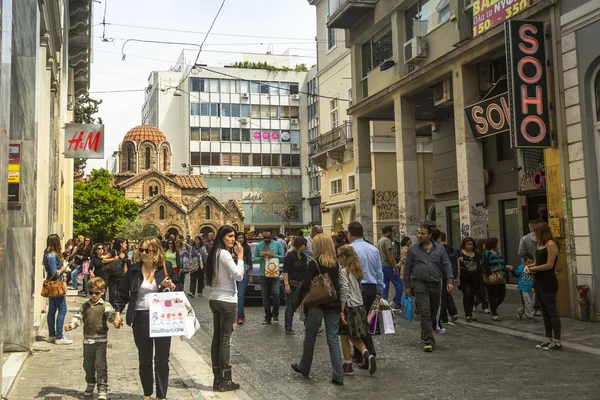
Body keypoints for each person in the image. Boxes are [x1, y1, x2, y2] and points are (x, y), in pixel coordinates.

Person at [113, 237, 177, 400]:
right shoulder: (134, 270)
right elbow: (122, 293)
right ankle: (147, 394)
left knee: (162, 359)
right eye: (141, 250)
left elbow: (179, 288)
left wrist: (171, 285)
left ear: (155, 252)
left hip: (162, 318)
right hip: (141, 317)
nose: (143, 253)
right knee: (145, 359)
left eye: (147, 250)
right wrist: (118, 313)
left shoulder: (166, 268)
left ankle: (162, 396)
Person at [291, 234, 344, 386]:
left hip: (317, 304)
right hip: (333, 303)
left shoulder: (314, 263)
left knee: (310, 337)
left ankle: (305, 366)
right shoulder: (336, 263)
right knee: (333, 339)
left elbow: (307, 284)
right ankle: (338, 375)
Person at [206, 225, 245, 391]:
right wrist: (241, 257)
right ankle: (225, 380)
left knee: (217, 339)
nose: (233, 239)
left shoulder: (214, 253)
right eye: (229, 236)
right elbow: (238, 275)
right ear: (222, 237)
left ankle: (217, 378)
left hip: (215, 298)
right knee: (224, 340)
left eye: (234, 236)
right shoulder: (224, 253)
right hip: (227, 299)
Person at [403, 225, 454, 352]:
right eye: (418, 233)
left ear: (430, 235)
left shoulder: (440, 249)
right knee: (424, 311)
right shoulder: (413, 249)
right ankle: (429, 340)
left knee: (433, 310)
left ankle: (425, 331)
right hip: (420, 283)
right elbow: (408, 267)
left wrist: (449, 281)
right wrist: (407, 285)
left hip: (436, 283)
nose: (419, 236)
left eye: (422, 233)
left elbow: (447, 265)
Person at [65, 277, 116, 400]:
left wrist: (115, 321)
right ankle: (90, 384)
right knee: (88, 364)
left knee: (100, 364)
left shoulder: (105, 305)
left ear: (102, 292)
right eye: (91, 292)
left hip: (101, 340)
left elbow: (111, 315)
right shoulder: (85, 306)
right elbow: (78, 316)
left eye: (96, 293)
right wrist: (71, 325)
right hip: (87, 340)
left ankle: (102, 388)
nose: (93, 295)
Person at [347, 221, 384, 365]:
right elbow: (378, 271)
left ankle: (369, 353)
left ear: (349, 234)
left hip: (356, 288)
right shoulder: (373, 249)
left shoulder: (348, 249)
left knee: (358, 322)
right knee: (364, 320)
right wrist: (380, 289)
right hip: (371, 287)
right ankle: (358, 354)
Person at [337, 245, 377, 376]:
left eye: (339, 256)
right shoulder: (357, 270)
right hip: (359, 305)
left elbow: (344, 291)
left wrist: (341, 310)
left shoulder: (344, 272)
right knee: (353, 335)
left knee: (344, 336)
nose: (338, 259)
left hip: (349, 306)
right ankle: (366, 354)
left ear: (344, 257)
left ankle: (348, 365)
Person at [527, 222, 561, 350]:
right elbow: (538, 261)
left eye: (535, 231)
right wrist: (529, 266)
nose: (533, 234)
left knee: (552, 312)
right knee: (545, 312)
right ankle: (548, 338)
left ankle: (557, 341)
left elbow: (549, 265)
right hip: (539, 281)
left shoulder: (551, 244)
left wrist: (534, 268)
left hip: (548, 281)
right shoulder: (540, 244)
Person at [44, 234, 73, 345]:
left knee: (52, 310)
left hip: (53, 285)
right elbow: (54, 273)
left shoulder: (48, 254)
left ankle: (52, 335)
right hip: (55, 285)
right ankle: (58, 336)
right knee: (62, 309)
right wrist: (63, 269)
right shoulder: (52, 255)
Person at [253, 230, 285, 325]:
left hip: (274, 273)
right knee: (265, 297)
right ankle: (268, 317)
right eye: (264, 238)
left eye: (268, 237)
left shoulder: (277, 244)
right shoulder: (259, 246)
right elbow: (255, 259)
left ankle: (275, 314)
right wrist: (261, 258)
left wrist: (274, 255)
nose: (266, 239)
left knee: (276, 294)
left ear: (272, 236)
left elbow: (283, 257)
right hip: (263, 274)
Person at [481, 237, 512, 321]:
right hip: (492, 277)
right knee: (493, 295)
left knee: (502, 294)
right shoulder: (487, 253)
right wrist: (489, 274)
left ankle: (493, 307)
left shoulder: (498, 253)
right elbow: (485, 264)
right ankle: (494, 313)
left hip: (500, 277)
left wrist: (506, 266)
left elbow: (501, 263)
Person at [282, 236, 308, 334]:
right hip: (292, 284)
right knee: (290, 307)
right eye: (305, 245)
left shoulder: (304, 256)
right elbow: (285, 271)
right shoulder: (290, 256)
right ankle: (288, 327)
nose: (305, 247)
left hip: (302, 284)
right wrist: (286, 284)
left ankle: (308, 324)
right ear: (301, 245)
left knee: (305, 306)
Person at [519, 220, 542, 316]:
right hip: (540, 266)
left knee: (527, 286)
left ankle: (529, 309)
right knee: (538, 287)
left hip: (528, 267)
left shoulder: (524, 239)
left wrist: (527, 261)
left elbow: (520, 253)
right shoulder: (542, 238)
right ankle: (538, 307)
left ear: (531, 227)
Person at [378, 226, 403, 309]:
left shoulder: (380, 240)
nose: (392, 233)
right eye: (391, 232)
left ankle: (384, 303)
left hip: (382, 266)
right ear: (388, 232)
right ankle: (398, 303)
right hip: (388, 266)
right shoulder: (387, 240)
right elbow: (389, 254)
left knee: (385, 285)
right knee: (399, 283)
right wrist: (393, 266)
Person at [507, 255, 536, 322]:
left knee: (532, 303)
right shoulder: (521, 267)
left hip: (531, 288)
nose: (529, 264)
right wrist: (512, 270)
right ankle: (529, 316)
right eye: (528, 262)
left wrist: (534, 286)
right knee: (527, 302)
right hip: (523, 287)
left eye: (531, 262)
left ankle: (520, 311)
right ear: (524, 262)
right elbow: (516, 275)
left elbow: (536, 278)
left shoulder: (534, 268)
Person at [457, 237, 480, 322]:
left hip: (474, 278)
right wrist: (457, 278)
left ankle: (470, 312)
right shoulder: (460, 253)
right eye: (468, 244)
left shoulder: (476, 254)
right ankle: (468, 314)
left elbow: (479, 265)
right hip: (464, 278)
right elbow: (457, 266)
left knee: (472, 295)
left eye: (471, 244)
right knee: (467, 294)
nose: (470, 246)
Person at [438, 232, 459, 323]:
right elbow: (456, 262)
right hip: (450, 274)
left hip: (440, 274)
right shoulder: (452, 249)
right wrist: (456, 276)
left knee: (441, 295)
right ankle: (453, 312)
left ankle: (443, 316)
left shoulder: (438, 249)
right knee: (447, 293)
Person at [236, 232, 254, 325]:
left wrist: (251, 276)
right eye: (239, 238)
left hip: (244, 274)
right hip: (234, 274)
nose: (240, 239)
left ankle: (239, 316)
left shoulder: (247, 248)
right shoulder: (233, 248)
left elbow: (250, 263)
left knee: (240, 294)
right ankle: (241, 313)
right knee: (236, 295)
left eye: (242, 237)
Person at [474, 238, 490, 314]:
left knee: (484, 290)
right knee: (480, 290)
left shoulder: (487, 253)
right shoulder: (478, 254)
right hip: (479, 274)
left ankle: (483, 305)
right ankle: (481, 305)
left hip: (484, 274)